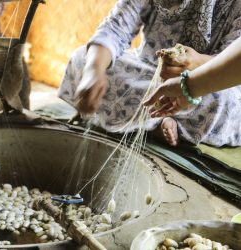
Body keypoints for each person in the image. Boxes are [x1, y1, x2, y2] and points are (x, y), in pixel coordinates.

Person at [58, 0, 241, 147]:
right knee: (83, 58)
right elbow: (115, 28)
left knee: (223, 100)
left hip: (204, 82)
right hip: (146, 72)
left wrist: (195, 63)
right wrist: (94, 71)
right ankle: (160, 122)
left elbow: (232, 63)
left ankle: (157, 121)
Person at [144, 36, 241, 116]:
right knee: (135, 76)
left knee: (222, 100)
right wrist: (187, 86)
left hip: (225, 84)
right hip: (149, 67)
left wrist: (199, 62)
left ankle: (166, 124)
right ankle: (171, 123)